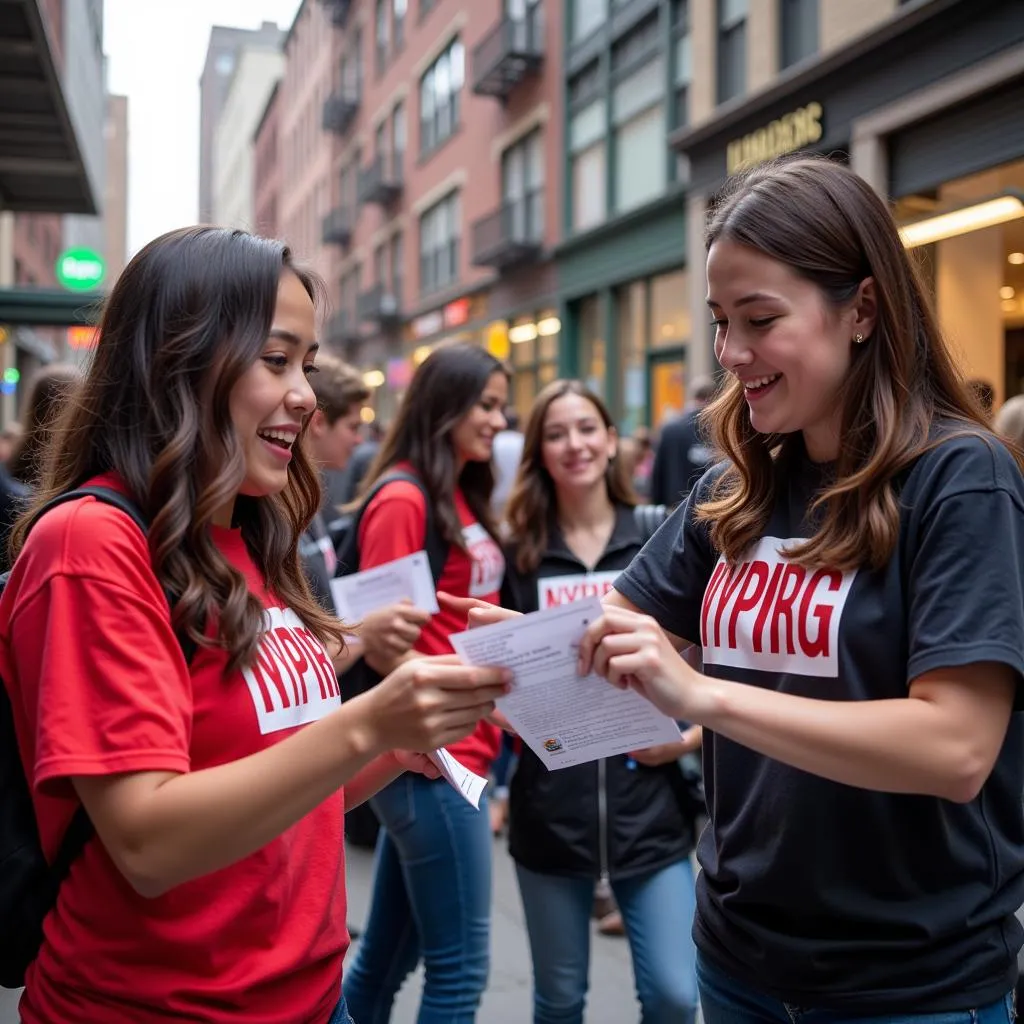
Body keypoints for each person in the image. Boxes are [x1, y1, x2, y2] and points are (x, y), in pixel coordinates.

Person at [0, 226, 509, 1024]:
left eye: (306, 365)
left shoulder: (246, 535)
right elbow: (148, 844)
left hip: (311, 998)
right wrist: (365, 721)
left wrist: (387, 747)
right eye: (276, 360)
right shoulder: (90, 544)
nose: (305, 395)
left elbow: (275, 803)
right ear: (180, 359)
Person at [571, 156, 1024, 1021]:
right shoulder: (736, 486)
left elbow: (956, 749)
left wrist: (701, 696)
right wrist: (512, 653)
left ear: (861, 309)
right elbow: (626, 620)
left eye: (760, 319)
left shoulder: (959, 480)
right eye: (718, 321)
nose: (729, 354)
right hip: (738, 960)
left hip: (907, 985)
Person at [501, 378, 699, 1024]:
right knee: (559, 1002)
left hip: (651, 813)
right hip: (552, 810)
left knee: (674, 994)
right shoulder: (519, 554)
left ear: (612, 440)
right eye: (555, 434)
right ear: (539, 453)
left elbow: (712, 661)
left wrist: (688, 736)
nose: (574, 445)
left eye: (587, 428)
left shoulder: (657, 535)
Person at [343, 342, 509, 1024]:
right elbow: (382, 645)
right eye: (488, 405)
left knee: (386, 957)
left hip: (453, 749)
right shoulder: (404, 496)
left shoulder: (449, 491)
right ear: (446, 407)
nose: (500, 422)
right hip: (431, 761)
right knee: (460, 970)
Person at [650, 374, 717, 508]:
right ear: (714, 397)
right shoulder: (719, 430)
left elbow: (657, 476)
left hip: (674, 508)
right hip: (709, 509)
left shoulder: (670, 429)